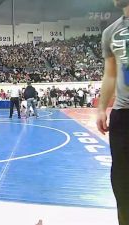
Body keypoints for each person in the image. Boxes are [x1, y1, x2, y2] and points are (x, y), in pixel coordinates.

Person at [97, 0, 129, 224]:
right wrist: (101, 108)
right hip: (123, 115)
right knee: (122, 183)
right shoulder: (111, 32)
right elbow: (110, 74)